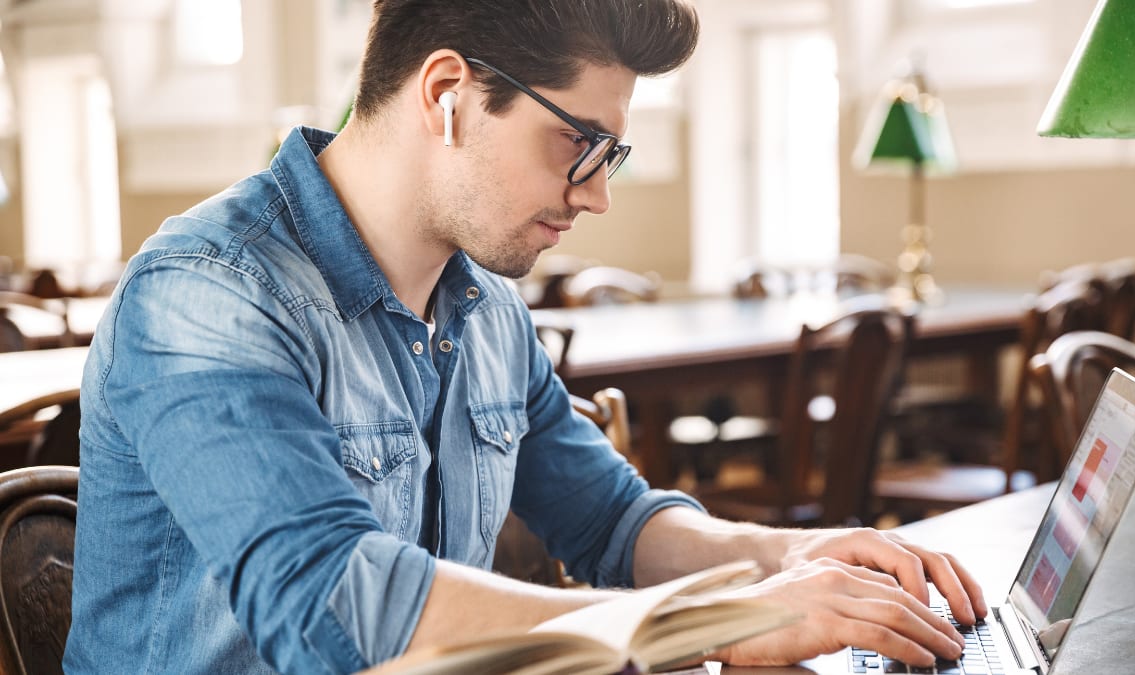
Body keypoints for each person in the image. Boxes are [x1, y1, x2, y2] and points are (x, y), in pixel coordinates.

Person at [64, 1, 986, 673]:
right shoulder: (209, 292)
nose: (597, 193)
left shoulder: (486, 306)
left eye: (610, 154)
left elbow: (610, 520)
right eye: (581, 142)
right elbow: (330, 605)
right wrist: (707, 622)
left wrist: (793, 558)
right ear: (449, 94)